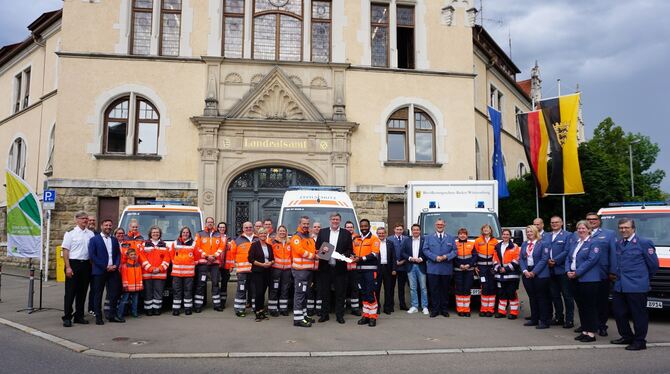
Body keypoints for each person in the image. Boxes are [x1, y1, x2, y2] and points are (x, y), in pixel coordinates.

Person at [609, 218, 659, 351]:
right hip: (620, 285)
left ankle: (639, 341)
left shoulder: (644, 243)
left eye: (626, 227)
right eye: (621, 228)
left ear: (633, 229)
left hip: (637, 286)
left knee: (638, 315)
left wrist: (643, 278)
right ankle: (626, 336)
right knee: (619, 313)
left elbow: (654, 265)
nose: (623, 230)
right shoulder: (619, 243)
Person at [565, 220, 601, 343]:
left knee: (589, 306)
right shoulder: (576, 243)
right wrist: (568, 271)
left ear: (589, 229)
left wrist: (577, 272)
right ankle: (584, 330)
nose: (580, 230)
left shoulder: (594, 242)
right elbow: (569, 258)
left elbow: (592, 260)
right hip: (575, 279)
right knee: (581, 306)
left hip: (589, 279)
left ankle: (591, 333)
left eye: (583, 228)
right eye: (578, 228)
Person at [315, 213, 353, 324]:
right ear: (330, 220)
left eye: (337, 219)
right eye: (333, 219)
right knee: (324, 292)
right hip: (325, 268)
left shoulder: (346, 233)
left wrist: (342, 257)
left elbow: (350, 250)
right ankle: (324, 315)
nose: (335, 221)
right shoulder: (323, 232)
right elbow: (317, 248)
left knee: (340, 293)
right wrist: (324, 252)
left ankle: (339, 315)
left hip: (340, 268)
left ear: (340, 220)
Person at [586, 212, 617, 337]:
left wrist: (612, 271)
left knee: (602, 302)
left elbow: (613, 254)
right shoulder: (580, 233)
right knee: (587, 302)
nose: (591, 221)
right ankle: (588, 325)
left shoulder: (609, 234)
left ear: (599, 221)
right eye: (588, 219)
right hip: (584, 274)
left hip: (602, 274)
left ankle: (602, 326)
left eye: (594, 219)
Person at [61, 211, 94, 327]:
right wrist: (68, 267)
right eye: (82, 218)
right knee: (70, 292)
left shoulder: (90, 234)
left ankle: (79, 316)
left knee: (82, 292)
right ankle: (67, 317)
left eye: (86, 218)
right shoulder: (70, 233)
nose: (85, 220)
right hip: (73, 264)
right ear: (77, 219)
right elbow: (65, 251)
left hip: (86, 265)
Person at [88, 219, 122, 325]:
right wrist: (105, 266)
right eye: (106, 225)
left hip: (113, 270)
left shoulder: (114, 240)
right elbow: (92, 256)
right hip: (100, 271)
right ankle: (98, 316)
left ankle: (112, 315)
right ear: (102, 226)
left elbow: (118, 254)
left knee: (114, 293)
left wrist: (115, 265)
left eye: (110, 225)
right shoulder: (94, 240)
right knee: (98, 294)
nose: (108, 227)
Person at [423, 218, 456, 318]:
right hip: (433, 269)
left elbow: (455, 251)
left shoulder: (450, 237)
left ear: (444, 225)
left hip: (446, 269)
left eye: (441, 224)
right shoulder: (428, 237)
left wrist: (446, 257)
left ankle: (444, 310)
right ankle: (435, 310)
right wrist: (435, 257)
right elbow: (425, 249)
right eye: (438, 224)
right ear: (435, 225)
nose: (439, 226)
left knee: (445, 290)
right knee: (434, 290)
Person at [520, 225, 552, 329]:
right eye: (527, 232)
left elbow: (544, 259)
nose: (529, 233)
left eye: (531, 231)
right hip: (527, 272)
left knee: (541, 298)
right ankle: (534, 319)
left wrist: (533, 272)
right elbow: (521, 259)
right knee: (532, 297)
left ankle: (544, 321)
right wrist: (525, 271)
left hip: (540, 273)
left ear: (535, 232)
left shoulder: (543, 243)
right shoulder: (525, 244)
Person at [545, 216, 574, 328]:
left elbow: (567, 250)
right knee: (554, 295)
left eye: (557, 222)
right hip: (550, 270)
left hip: (562, 269)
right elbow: (544, 249)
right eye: (552, 222)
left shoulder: (568, 235)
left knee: (567, 296)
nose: (554, 224)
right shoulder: (546, 236)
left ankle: (569, 320)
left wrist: (555, 260)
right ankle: (558, 317)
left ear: (562, 223)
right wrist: (547, 260)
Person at [352, 219, 381, 327]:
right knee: (363, 293)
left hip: (370, 270)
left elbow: (374, 254)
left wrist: (360, 258)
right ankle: (366, 315)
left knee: (370, 293)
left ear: (369, 226)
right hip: (359, 270)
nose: (364, 228)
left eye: (365, 226)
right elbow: (353, 253)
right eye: (362, 226)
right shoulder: (357, 239)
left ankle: (373, 317)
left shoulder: (374, 239)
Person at [291, 216, 317, 327]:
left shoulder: (309, 237)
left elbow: (312, 250)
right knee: (299, 294)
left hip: (308, 270)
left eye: (307, 223)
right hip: (300, 271)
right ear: (299, 223)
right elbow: (299, 251)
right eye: (304, 223)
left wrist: (320, 252)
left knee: (305, 294)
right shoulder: (296, 237)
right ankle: (297, 319)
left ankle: (304, 315)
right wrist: (314, 256)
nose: (306, 225)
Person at [194, 217, 224, 312]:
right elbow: (197, 247)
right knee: (201, 284)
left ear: (214, 223)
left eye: (212, 222)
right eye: (208, 222)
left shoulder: (218, 234)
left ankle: (217, 305)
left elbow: (221, 247)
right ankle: (198, 305)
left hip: (214, 264)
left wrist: (214, 256)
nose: (210, 223)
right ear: (205, 223)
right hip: (203, 263)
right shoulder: (200, 234)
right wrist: (206, 256)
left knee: (215, 283)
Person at [139, 226, 170, 316]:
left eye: (157, 232)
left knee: (158, 292)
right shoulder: (144, 245)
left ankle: (157, 308)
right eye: (153, 232)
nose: (155, 234)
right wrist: (151, 268)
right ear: (150, 234)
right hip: (147, 273)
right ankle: (148, 309)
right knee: (148, 292)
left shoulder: (164, 245)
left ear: (160, 234)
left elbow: (167, 259)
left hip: (160, 274)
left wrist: (159, 269)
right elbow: (142, 258)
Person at [231, 221, 258, 317]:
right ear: (243, 229)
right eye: (246, 227)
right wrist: (232, 266)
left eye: (250, 227)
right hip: (242, 271)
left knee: (255, 290)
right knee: (241, 290)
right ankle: (239, 309)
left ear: (253, 228)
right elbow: (232, 254)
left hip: (255, 270)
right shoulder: (237, 240)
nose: (248, 229)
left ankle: (256, 308)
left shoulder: (257, 239)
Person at [493, 229, 521, 319]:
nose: (505, 236)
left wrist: (506, 269)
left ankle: (513, 313)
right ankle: (501, 312)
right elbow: (494, 259)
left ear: (510, 236)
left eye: (507, 234)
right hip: (500, 275)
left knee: (512, 294)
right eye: (504, 234)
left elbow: (517, 260)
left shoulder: (515, 246)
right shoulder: (497, 246)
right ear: (502, 235)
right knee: (502, 294)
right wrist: (498, 268)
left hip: (512, 275)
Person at [401, 224, 429, 315]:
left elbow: (427, 251)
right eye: (414, 230)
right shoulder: (406, 240)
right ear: (412, 231)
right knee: (413, 288)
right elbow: (403, 253)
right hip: (410, 266)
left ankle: (424, 306)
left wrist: (421, 259)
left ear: (420, 231)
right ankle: (415, 306)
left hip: (421, 265)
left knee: (423, 288)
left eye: (417, 230)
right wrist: (410, 258)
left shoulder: (425, 240)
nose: (415, 231)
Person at [249, 228, 274, 321]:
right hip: (258, 272)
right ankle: (257, 312)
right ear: (258, 235)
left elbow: (272, 258)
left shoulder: (269, 246)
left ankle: (262, 311)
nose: (263, 235)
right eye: (261, 233)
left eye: (265, 233)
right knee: (258, 292)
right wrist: (262, 264)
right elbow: (250, 259)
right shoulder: (254, 245)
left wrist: (270, 263)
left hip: (267, 272)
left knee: (263, 292)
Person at [170, 227, 196, 316]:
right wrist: (176, 262)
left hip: (189, 273)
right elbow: (171, 255)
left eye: (187, 232)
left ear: (189, 234)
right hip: (177, 272)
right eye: (184, 232)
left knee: (188, 290)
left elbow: (197, 256)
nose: (185, 234)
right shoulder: (175, 242)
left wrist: (191, 263)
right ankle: (176, 309)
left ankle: (188, 308)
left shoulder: (193, 243)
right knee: (177, 291)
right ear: (181, 233)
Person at [474, 224, 499, 317]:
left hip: (492, 268)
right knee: (484, 287)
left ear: (490, 230)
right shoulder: (478, 240)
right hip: (482, 268)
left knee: (492, 287)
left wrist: (496, 266)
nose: (486, 230)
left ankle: (490, 309)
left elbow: (497, 254)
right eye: (484, 228)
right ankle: (483, 309)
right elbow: (474, 254)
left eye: (487, 228)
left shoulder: (495, 241)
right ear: (482, 230)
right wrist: (475, 265)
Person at [268, 225, 292, 316]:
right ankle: (272, 309)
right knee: (274, 289)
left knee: (285, 289)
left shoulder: (289, 243)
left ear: (286, 232)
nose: (282, 232)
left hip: (287, 270)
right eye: (280, 231)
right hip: (276, 270)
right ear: (278, 232)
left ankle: (283, 308)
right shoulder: (273, 242)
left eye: (284, 231)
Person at [454, 228, 476, 317]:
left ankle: (466, 310)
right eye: (460, 234)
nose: (462, 235)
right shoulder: (455, 244)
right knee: (459, 290)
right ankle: (460, 310)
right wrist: (460, 265)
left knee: (467, 289)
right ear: (458, 235)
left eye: (464, 234)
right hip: (458, 271)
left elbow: (474, 256)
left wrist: (469, 265)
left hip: (469, 270)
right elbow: (453, 257)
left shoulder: (472, 244)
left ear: (467, 235)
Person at [375, 227, 396, 314]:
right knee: (377, 289)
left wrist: (394, 269)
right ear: (377, 234)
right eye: (379, 233)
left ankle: (387, 307)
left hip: (388, 268)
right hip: (377, 268)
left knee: (388, 289)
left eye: (383, 233)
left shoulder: (390, 243)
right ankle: (377, 307)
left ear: (386, 233)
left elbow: (393, 257)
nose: (381, 235)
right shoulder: (374, 243)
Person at [117, 248, 143, 319]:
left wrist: (140, 285)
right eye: (131, 254)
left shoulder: (138, 265)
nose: (133, 256)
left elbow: (140, 276)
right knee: (124, 300)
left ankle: (134, 313)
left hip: (136, 286)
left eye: (134, 254)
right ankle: (119, 314)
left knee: (135, 301)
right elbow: (124, 277)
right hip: (128, 287)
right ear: (128, 256)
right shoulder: (125, 266)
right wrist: (125, 286)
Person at [344, 220, 361, 316]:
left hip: (354, 268)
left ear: (353, 228)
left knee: (355, 288)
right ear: (345, 228)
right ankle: (342, 307)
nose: (349, 229)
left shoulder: (358, 239)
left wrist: (355, 255)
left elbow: (359, 251)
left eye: (351, 227)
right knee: (343, 288)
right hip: (344, 268)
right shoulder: (341, 237)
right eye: (347, 227)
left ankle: (355, 308)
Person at [390, 224, 409, 311]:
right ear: (394, 230)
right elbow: (388, 253)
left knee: (401, 287)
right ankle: (390, 304)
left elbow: (409, 252)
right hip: (393, 266)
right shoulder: (389, 239)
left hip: (403, 266)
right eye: (397, 229)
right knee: (391, 286)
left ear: (403, 230)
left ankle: (402, 304)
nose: (399, 231)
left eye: (400, 229)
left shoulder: (407, 239)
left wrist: (403, 261)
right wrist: (394, 262)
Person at [217, 222, 234, 309]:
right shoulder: (214, 238)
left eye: (223, 227)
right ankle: (216, 302)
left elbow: (231, 253)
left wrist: (231, 265)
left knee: (224, 284)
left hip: (226, 266)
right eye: (220, 227)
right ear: (218, 228)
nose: (222, 229)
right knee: (215, 283)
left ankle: (222, 302)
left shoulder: (229, 239)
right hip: (216, 264)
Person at [86, 215, 99, 316]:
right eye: (90, 220)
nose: (92, 222)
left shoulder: (98, 234)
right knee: (82, 289)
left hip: (96, 265)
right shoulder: (82, 233)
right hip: (85, 264)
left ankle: (93, 308)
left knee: (95, 288)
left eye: (93, 220)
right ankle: (79, 311)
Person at [307, 221, 321, 315]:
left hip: (321, 268)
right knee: (310, 288)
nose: (317, 228)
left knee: (320, 288)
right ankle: (310, 309)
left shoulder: (324, 239)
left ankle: (319, 309)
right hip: (311, 268)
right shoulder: (308, 239)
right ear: (312, 228)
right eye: (315, 226)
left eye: (318, 227)